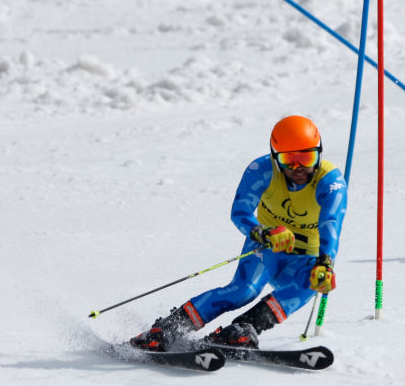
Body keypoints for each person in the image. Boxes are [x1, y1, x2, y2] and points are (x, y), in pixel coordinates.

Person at [130, 115, 348, 352]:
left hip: (306, 257)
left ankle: (243, 329)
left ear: (320, 152)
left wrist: (326, 263)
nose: (299, 168)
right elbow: (240, 210)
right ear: (275, 157)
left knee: (310, 283)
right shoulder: (261, 170)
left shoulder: (331, 181)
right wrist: (262, 233)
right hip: (268, 248)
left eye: (307, 158)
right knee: (244, 291)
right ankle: (167, 329)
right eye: (288, 160)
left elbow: (331, 222)